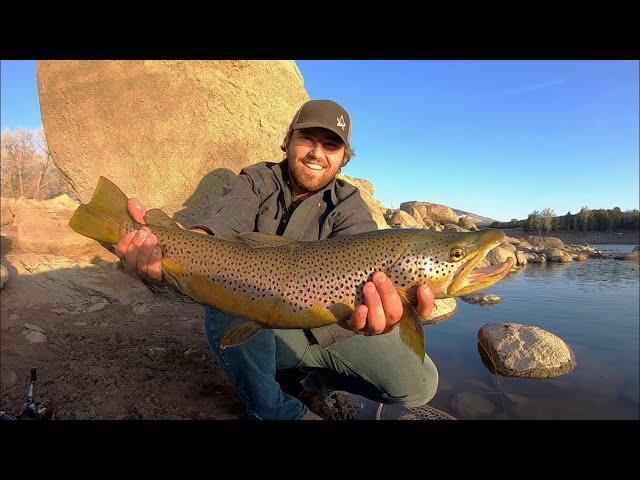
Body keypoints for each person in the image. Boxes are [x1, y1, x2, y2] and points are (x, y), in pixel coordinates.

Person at [115, 99, 438, 420]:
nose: (316, 152)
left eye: (330, 145)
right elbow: (219, 228)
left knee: (420, 383)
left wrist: (385, 316)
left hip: (332, 327)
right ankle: (274, 409)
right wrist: (172, 243)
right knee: (232, 295)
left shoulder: (348, 205)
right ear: (288, 141)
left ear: (343, 159)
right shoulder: (256, 181)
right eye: (307, 139)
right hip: (256, 321)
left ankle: (309, 382)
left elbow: (368, 257)